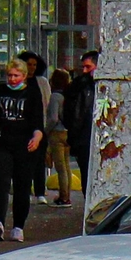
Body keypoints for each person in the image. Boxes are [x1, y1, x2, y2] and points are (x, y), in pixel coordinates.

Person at [0, 57, 45, 240]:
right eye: (9, 75)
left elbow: (37, 121)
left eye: (16, 76)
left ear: (25, 76)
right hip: (2, 143)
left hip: (24, 145)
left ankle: (18, 226)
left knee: (22, 186)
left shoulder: (32, 94)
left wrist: (37, 137)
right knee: (0, 184)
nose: (12, 79)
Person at [64, 51, 98, 196]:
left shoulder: (81, 87)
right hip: (84, 137)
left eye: (88, 67)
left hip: (86, 136)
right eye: (83, 67)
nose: (84, 71)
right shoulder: (80, 86)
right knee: (87, 176)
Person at [44, 66, 74, 205]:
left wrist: (46, 131)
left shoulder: (55, 96)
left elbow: (53, 118)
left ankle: (63, 197)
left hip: (57, 133)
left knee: (60, 167)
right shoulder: (68, 95)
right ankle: (67, 194)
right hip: (68, 132)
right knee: (66, 166)